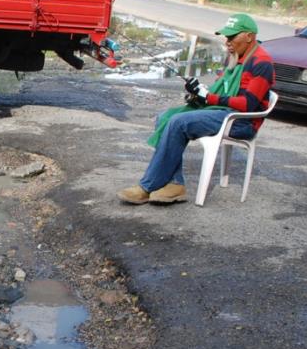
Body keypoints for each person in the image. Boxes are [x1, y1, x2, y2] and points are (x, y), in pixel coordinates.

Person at [118, 13, 275, 205]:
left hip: (241, 122)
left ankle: (148, 186)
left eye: (232, 37)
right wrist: (199, 91)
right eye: (226, 37)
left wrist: (209, 98)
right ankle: (175, 185)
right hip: (222, 112)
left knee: (178, 122)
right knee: (165, 117)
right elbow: (221, 90)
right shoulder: (236, 58)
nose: (227, 42)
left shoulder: (262, 62)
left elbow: (248, 104)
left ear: (249, 36)